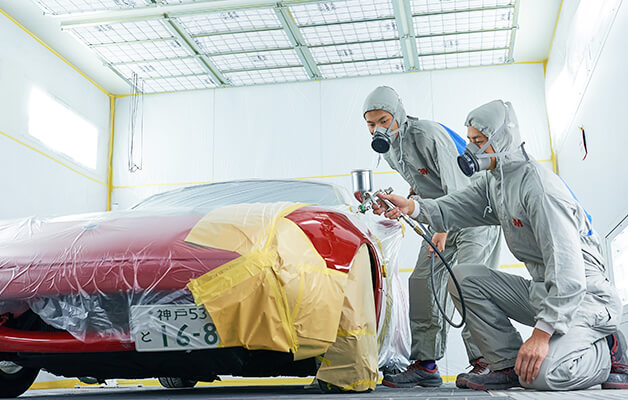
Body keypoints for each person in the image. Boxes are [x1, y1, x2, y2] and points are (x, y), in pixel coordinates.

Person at [374, 99, 628, 390]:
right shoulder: (496, 181)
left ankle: (607, 350)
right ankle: (506, 364)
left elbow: (568, 270)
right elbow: (454, 206)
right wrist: (412, 206)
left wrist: (542, 335)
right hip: (544, 289)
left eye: (479, 141)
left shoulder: (539, 188)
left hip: (585, 295)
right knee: (464, 278)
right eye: (469, 141)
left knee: (544, 375)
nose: (470, 150)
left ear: (501, 139)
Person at [362, 86, 502, 387]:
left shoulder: (427, 134)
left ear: (397, 115)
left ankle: (487, 361)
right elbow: (423, 185)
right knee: (422, 282)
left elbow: (458, 188)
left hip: (473, 218)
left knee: (466, 281)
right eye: (371, 124)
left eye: (383, 121)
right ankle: (425, 364)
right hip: (440, 218)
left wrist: (440, 231)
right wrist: (403, 202)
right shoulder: (392, 152)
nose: (378, 129)